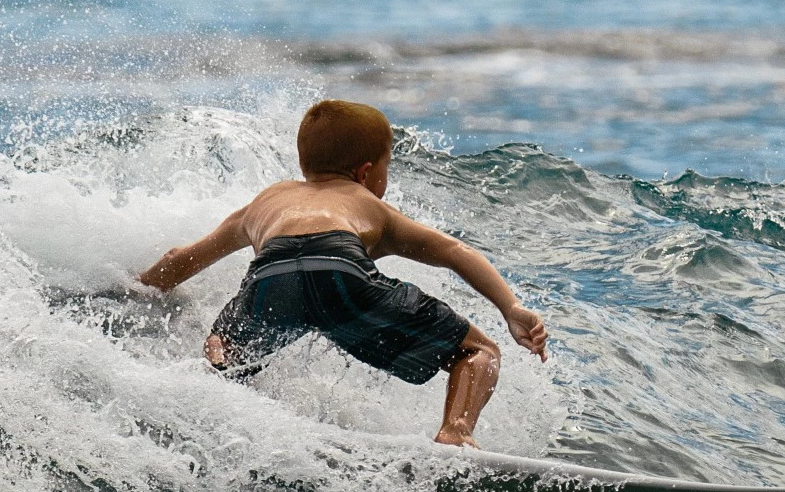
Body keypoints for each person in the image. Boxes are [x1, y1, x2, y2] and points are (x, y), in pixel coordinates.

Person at [137, 99, 547, 446]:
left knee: (227, 353)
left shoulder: (268, 201)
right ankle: (455, 434)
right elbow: (453, 251)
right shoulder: (367, 202)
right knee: (477, 352)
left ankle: (211, 425)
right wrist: (510, 308)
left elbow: (182, 258)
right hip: (339, 268)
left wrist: (137, 289)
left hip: (271, 275)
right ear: (366, 172)